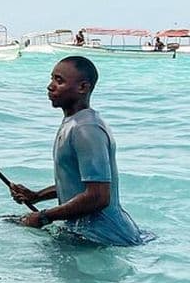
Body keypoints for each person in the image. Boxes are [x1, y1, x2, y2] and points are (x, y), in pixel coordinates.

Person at [9, 56, 146, 246]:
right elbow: (79, 184)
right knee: (7, 222)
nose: (50, 86)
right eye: (52, 79)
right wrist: (36, 196)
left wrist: (43, 217)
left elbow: (98, 196)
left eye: (59, 81)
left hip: (104, 238)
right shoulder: (75, 123)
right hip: (87, 234)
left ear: (83, 87)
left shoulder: (86, 129)